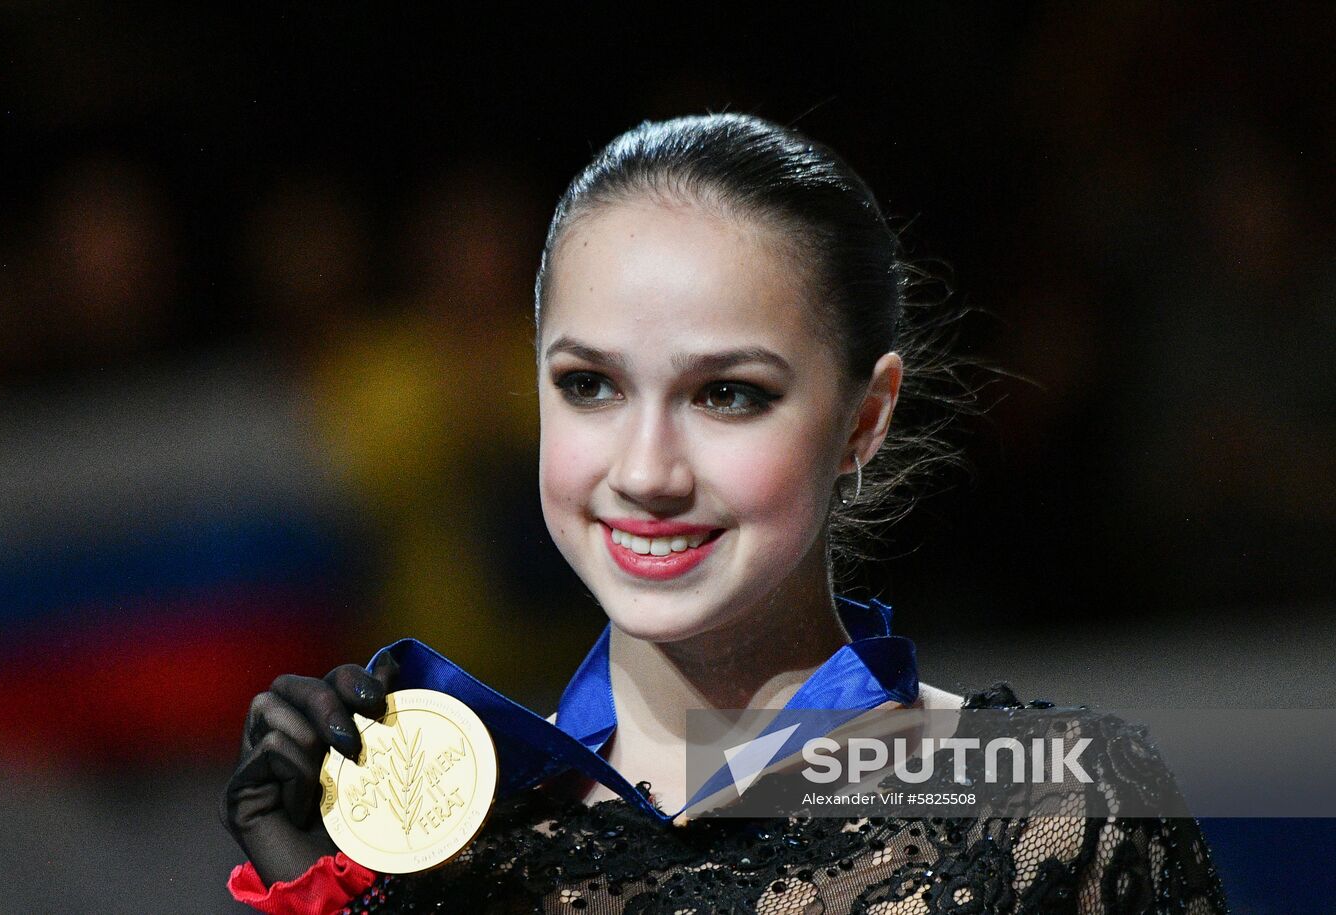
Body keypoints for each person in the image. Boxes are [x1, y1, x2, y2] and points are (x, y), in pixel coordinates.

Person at [220, 113, 1230, 913]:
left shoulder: (1053, 809)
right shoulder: (446, 850)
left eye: (727, 394)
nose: (647, 471)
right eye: (589, 386)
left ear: (861, 421)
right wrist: (334, 892)